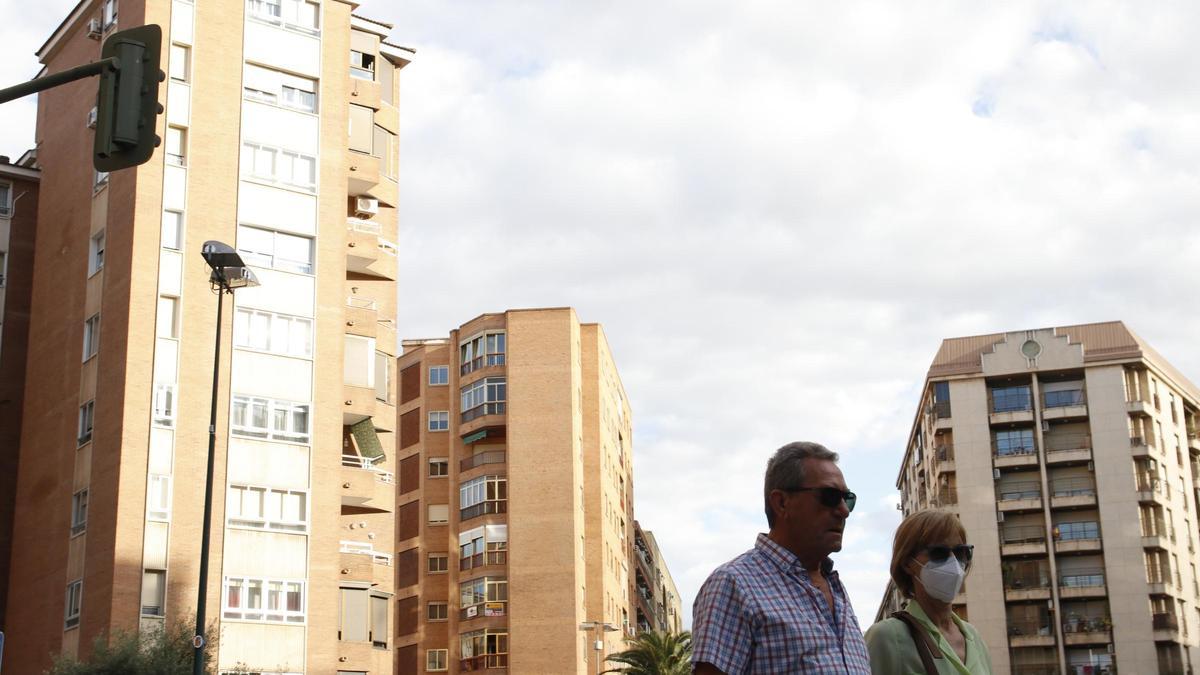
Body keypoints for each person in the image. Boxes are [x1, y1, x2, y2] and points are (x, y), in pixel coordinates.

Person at [691, 441, 871, 674]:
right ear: (782, 502)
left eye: (847, 499)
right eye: (829, 496)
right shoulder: (734, 585)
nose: (843, 511)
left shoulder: (836, 590)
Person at [864, 509, 993, 674]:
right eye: (939, 553)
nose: (954, 563)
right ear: (907, 564)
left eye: (961, 552)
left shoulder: (975, 638)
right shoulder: (887, 637)